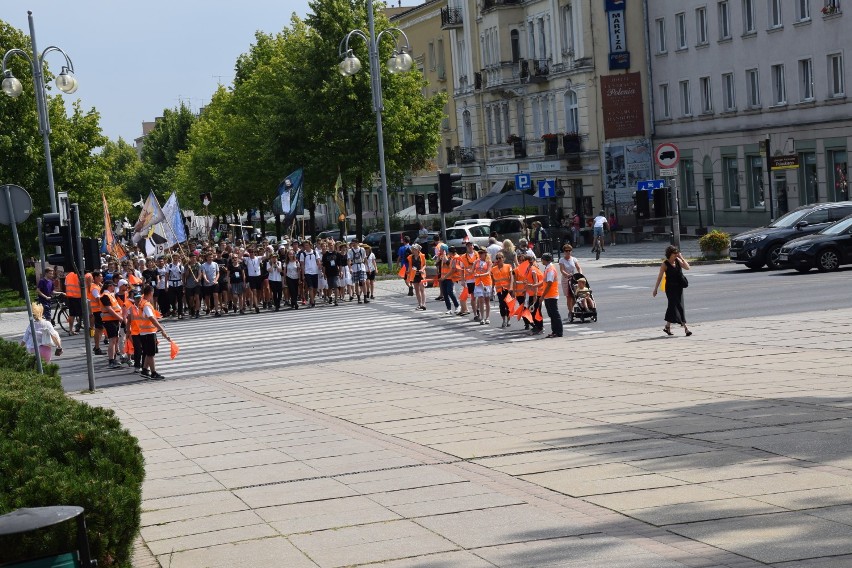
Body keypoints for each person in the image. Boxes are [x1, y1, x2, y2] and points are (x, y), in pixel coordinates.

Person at [653, 245, 692, 336]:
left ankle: (667, 327)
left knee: (672, 307)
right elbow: (659, 278)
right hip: (670, 288)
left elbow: (687, 267)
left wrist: (681, 258)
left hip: (679, 288)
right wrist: (655, 289)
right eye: (675, 253)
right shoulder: (665, 264)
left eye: (677, 253)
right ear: (670, 254)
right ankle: (686, 329)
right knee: (678, 306)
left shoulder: (678, 261)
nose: (676, 255)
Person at [138, 284, 170, 380]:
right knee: (151, 354)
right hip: (148, 333)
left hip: (144, 332)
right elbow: (151, 318)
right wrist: (161, 328)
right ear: (151, 293)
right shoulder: (147, 305)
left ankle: (144, 370)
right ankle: (153, 373)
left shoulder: (142, 302)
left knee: (148, 353)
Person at [100, 279, 124, 369]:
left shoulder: (109, 295)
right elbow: (110, 310)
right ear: (109, 286)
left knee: (115, 340)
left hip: (113, 320)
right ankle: (111, 361)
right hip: (110, 320)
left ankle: (113, 359)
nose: (114, 287)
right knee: (112, 341)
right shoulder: (105, 296)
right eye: (113, 285)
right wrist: (120, 318)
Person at [540, 253, 563, 338]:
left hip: (551, 295)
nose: (541, 261)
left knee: (554, 314)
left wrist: (542, 296)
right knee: (552, 314)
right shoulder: (548, 268)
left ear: (545, 260)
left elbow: (549, 283)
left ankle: (558, 332)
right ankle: (555, 331)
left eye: (542, 259)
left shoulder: (550, 269)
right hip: (549, 295)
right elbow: (545, 282)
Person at [490, 252, 514, 328]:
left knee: (508, 305)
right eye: (497, 258)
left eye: (500, 258)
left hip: (507, 289)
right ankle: (504, 320)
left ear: (503, 259)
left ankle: (509, 320)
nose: (499, 260)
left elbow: (511, 278)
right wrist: (492, 289)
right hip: (499, 290)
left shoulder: (508, 266)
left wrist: (511, 287)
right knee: (501, 305)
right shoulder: (493, 269)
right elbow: (493, 280)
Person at [437, 244, 459, 314]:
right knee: (445, 293)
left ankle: (457, 305)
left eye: (441, 249)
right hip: (443, 277)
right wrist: (439, 257)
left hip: (449, 277)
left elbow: (448, 264)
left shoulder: (450, 257)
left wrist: (445, 257)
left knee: (450, 292)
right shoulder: (441, 256)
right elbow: (437, 264)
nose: (439, 250)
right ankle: (448, 308)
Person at [559, 244, 581, 312]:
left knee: (576, 296)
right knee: (568, 296)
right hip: (566, 279)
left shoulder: (574, 259)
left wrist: (580, 274)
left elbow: (578, 267)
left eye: (569, 250)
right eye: (566, 251)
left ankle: (571, 308)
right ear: (564, 252)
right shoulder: (562, 260)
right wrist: (567, 275)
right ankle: (570, 311)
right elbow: (562, 270)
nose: (568, 252)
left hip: (573, 279)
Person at [473, 248, 492, 325]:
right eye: (479, 253)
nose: (480, 254)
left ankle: (487, 317)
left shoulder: (488, 262)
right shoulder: (476, 261)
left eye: (482, 253)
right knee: (481, 299)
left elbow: (488, 272)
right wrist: (469, 270)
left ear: (485, 254)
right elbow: (472, 271)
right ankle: (482, 317)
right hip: (478, 283)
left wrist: (479, 275)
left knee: (487, 301)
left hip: (486, 283)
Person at [407, 243, 427, 310]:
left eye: (414, 249)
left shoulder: (422, 256)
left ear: (418, 250)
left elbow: (424, 265)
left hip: (421, 274)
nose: (413, 251)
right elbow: (410, 266)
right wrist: (408, 272)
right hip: (414, 274)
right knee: (417, 290)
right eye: (412, 249)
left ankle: (424, 304)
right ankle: (419, 304)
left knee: (422, 289)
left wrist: (422, 269)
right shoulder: (410, 257)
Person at [200, 252, 221, 317]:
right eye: (209, 257)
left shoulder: (215, 264)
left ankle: (217, 310)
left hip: (214, 283)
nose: (210, 258)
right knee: (207, 297)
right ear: (206, 258)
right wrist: (206, 280)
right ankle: (208, 308)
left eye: (211, 257)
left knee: (215, 296)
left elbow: (218, 273)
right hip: (207, 284)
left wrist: (216, 280)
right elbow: (203, 273)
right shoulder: (203, 265)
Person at [64, 268, 82, 335]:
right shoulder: (79, 274)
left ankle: (71, 330)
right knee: (83, 313)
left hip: (70, 297)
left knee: (72, 314)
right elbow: (82, 285)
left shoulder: (68, 275)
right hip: (78, 296)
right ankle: (86, 328)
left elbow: (65, 284)